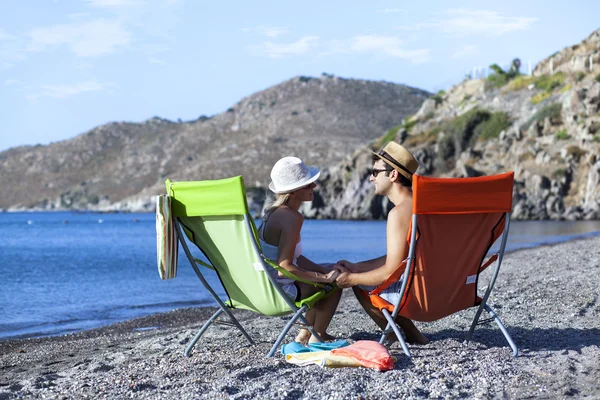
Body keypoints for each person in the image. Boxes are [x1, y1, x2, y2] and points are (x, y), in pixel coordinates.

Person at [334, 142, 429, 345]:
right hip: (450, 294)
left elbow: (390, 272)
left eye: (375, 172)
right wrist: (358, 267)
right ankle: (413, 334)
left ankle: (393, 335)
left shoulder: (399, 213)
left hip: (420, 300)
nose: (371, 178)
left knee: (361, 283)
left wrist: (352, 278)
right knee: (363, 275)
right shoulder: (429, 208)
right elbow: (406, 257)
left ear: (393, 175)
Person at [259, 156, 342, 345]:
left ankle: (305, 334)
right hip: (281, 290)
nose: (314, 186)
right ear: (293, 192)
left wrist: (322, 270)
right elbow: (285, 267)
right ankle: (317, 337)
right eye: (308, 184)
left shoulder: (272, 213)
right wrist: (323, 278)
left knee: (329, 270)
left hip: (265, 287)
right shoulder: (291, 217)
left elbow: (293, 258)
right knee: (335, 284)